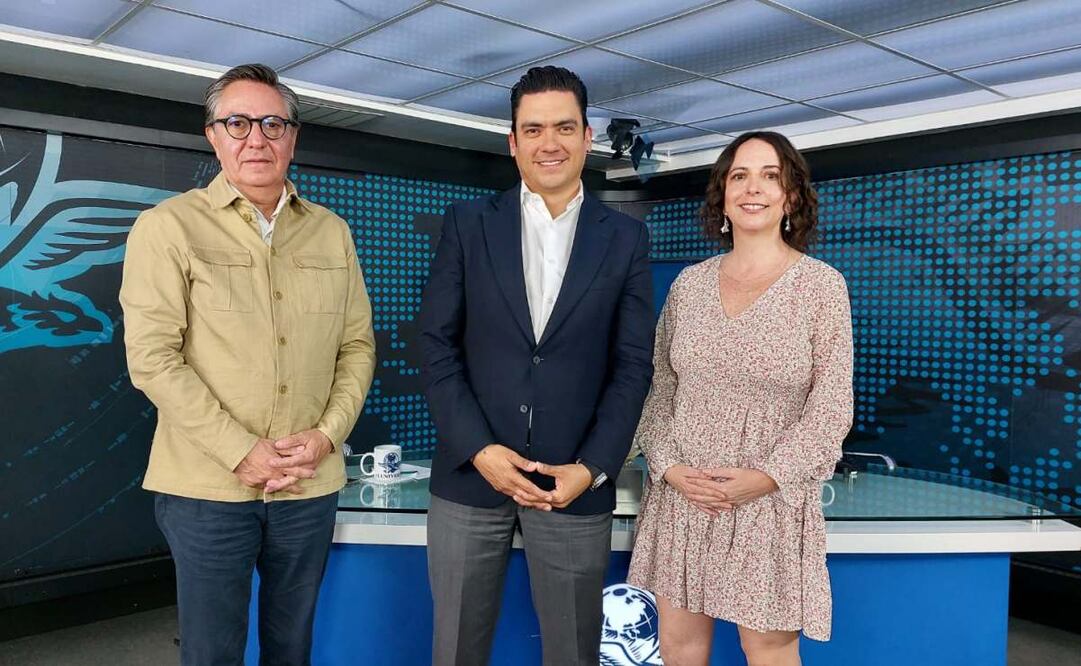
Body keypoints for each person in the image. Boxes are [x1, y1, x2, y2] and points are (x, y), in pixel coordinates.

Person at [120, 63, 376, 665]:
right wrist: (241, 451)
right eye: (237, 123)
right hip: (208, 489)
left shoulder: (332, 232)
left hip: (308, 485)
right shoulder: (168, 227)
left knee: (292, 648)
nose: (256, 138)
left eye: (272, 124)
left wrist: (326, 436)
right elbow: (152, 358)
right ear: (213, 135)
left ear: (293, 137)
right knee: (213, 652)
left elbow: (356, 347)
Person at [419, 65, 655, 666]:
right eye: (533, 129)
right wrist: (480, 450)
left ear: (587, 137)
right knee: (455, 653)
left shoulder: (625, 238)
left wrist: (593, 469)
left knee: (573, 655)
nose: (549, 143)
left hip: (572, 485)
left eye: (564, 127)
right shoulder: (467, 224)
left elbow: (633, 366)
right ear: (513, 142)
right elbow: (436, 346)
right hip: (471, 480)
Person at [627, 131, 853, 666]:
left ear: (790, 196)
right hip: (684, 495)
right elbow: (659, 389)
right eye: (739, 176)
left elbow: (831, 407)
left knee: (768, 649)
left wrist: (766, 477)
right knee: (680, 646)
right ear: (723, 197)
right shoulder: (688, 285)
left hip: (768, 500)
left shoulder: (821, 286)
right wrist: (670, 467)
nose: (754, 188)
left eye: (770, 176)